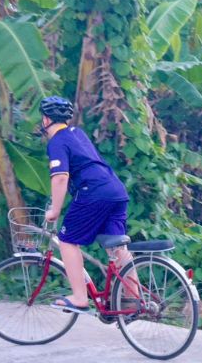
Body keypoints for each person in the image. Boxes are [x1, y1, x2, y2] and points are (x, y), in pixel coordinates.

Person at [37, 95, 132, 313]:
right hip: (115, 190)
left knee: (67, 239)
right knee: (118, 248)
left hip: (94, 193)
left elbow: (60, 177)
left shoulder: (57, 141)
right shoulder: (77, 134)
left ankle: (80, 297)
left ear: (45, 120)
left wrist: (54, 211)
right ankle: (132, 300)